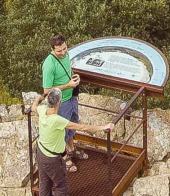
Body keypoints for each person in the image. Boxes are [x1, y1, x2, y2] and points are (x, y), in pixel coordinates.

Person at [31, 88, 114, 196]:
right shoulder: (57, 120)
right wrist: (104, 127)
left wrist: (38, 99)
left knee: (44, 183)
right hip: (52, 159)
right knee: (61, 186)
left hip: (41, 152)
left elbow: (33, 108)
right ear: (59, 103)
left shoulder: (42, 110)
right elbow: (82, 127)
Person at [42, 33, 84, 173]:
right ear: (52, 49)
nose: (63, 52)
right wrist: (68, 85)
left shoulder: (66, 54)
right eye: (59, 51)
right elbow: (47, 90)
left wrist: (74, 75)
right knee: (63, 130)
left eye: (65, 48)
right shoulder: (49, 64)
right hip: (62, 101)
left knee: (73, 123)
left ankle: (71, 149)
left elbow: (67, 67)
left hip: (71, 96)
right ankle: (64, 157)